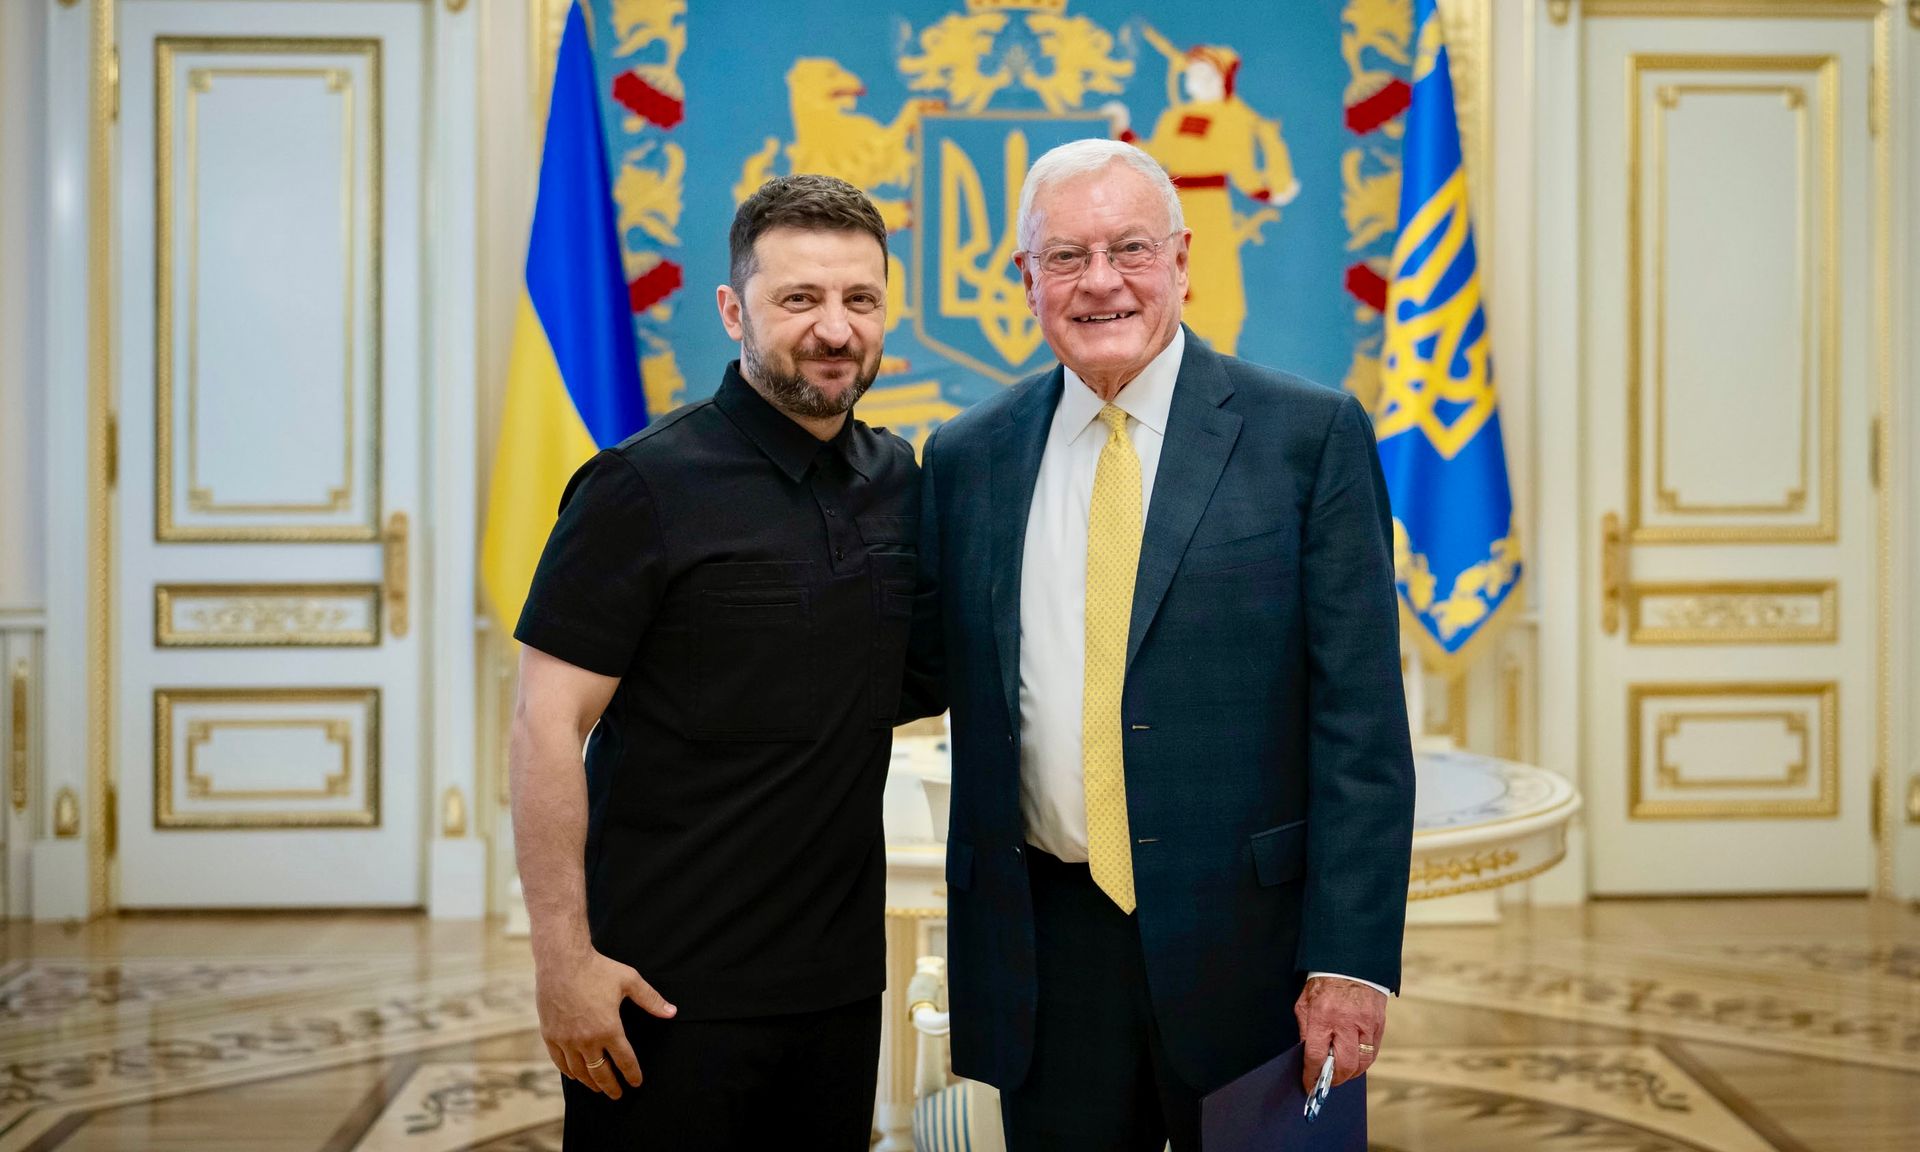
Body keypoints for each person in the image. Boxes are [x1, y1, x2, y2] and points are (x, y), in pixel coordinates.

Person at [911, 138, 1415, 1150]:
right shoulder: (966, 458)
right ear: (1027, 280)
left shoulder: (1306, 437)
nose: (1101, 282)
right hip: (1045, 953)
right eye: (1066, 257)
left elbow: (1360, 723)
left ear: (1183, 261)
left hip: (1258, 960)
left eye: (1130, 249)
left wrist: (1350, 960)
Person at [509, 174, 924, 1149]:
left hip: (836, 991)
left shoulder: (898, 480)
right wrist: (562, 963)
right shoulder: (638, 487)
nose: (835, 329)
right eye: (799, 299)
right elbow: (543, 727)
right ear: (734, 309)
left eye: (859, 300)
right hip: (662, 990)